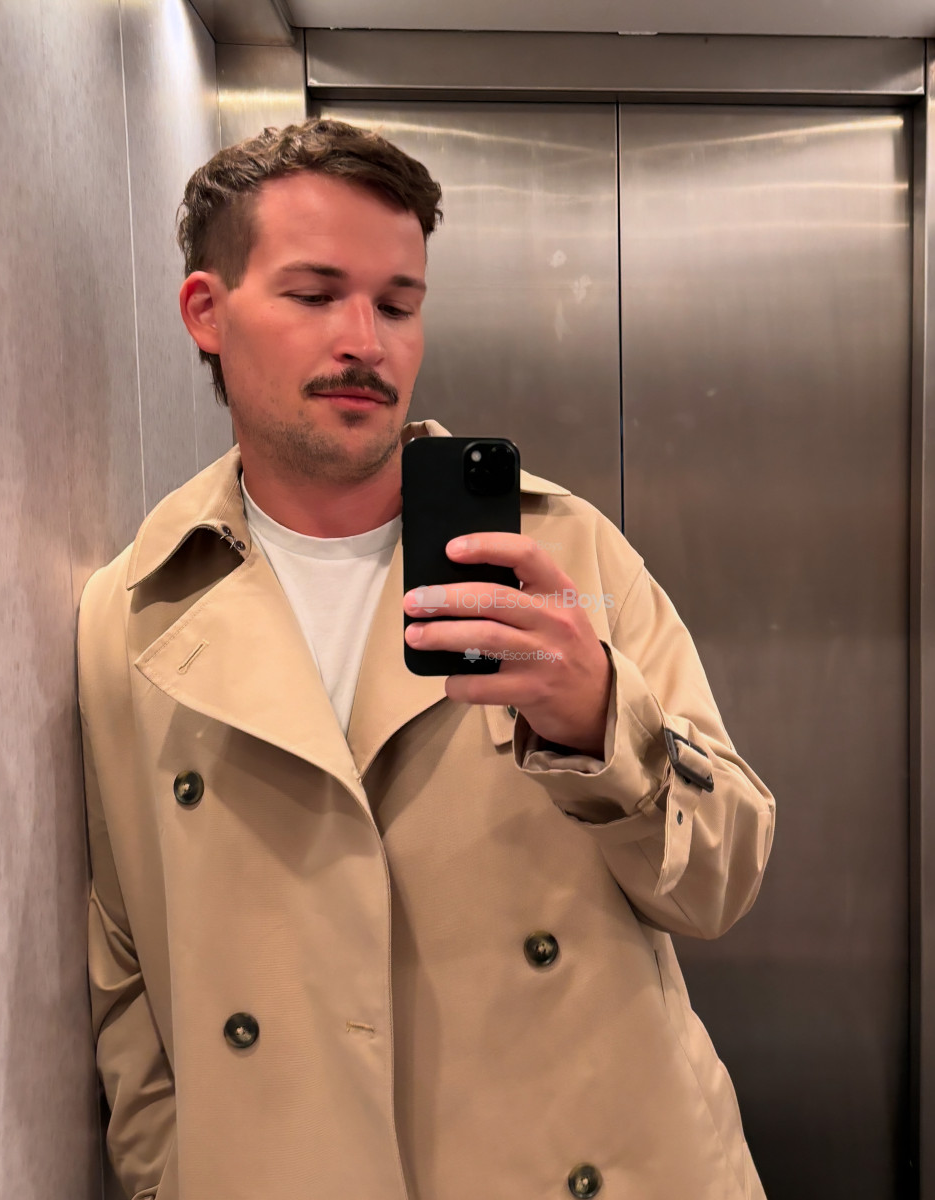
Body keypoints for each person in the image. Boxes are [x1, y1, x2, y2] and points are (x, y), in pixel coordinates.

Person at [78, 117, 775, 1200]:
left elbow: (726, 876)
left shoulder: (566, 553)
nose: (365, 341)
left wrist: (603, 722)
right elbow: (127, 963)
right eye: (316, 295)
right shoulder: (134, 610)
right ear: (206, 312)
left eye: (398, 305)